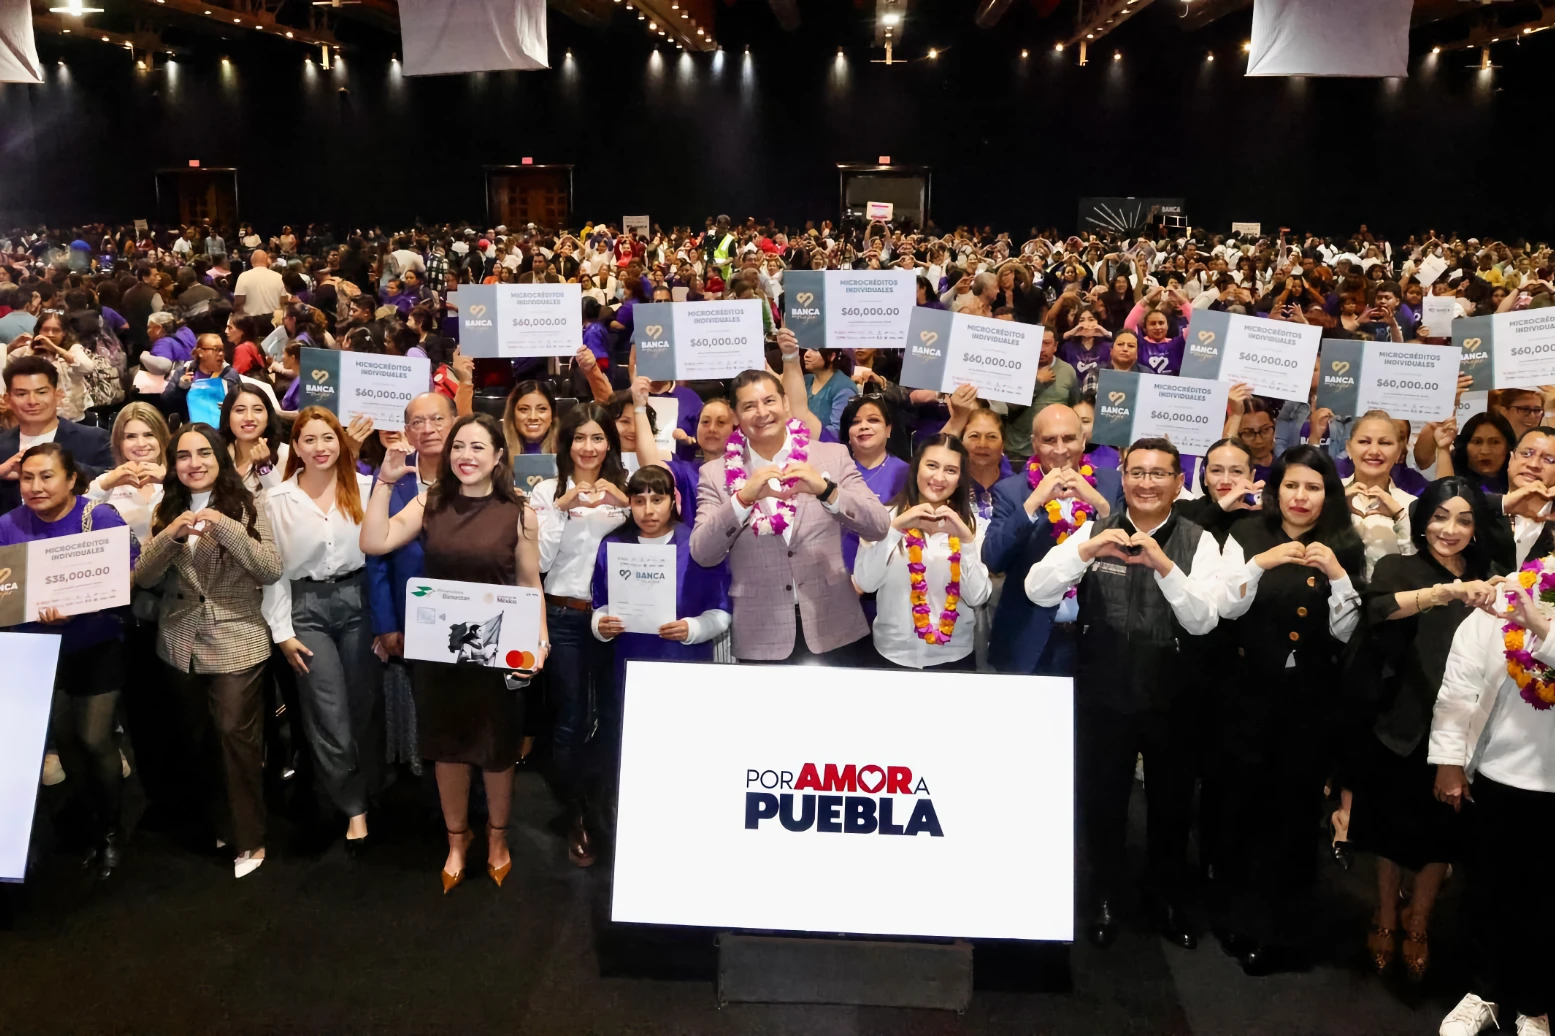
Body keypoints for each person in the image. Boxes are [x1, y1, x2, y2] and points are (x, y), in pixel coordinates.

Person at [1025, 436, 1225, 950]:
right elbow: (1036, 589)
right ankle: (1104, 896)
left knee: (1171, 806)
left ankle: (1166, 898)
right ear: (1122, 478)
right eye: (1137, 472)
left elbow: (1203, 620)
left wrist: (1164, 566)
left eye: (1159, 474)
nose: (1146, 483)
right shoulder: (1096, 530)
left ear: (1178, 483)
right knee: (1102, 801)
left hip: (1173, 692)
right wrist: (1085, 552)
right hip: (1104, 689)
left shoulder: (1201, 541)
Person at [360, 412, 547, 894]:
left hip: (500, 654)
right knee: (447, 749)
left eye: (478, 447)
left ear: (498, 456)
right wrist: (385, 481)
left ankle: (498, 839)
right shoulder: (431, 501)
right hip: (441, 652)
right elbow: (374, 541)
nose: (466, 456)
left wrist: (540, 640)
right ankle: (457, 841)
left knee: (498, 750)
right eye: (459, 446)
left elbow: (530, 583)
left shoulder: (520, 513)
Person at [1215, 445, 1365, 974]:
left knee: (1293, 814)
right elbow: (1224, 606)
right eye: (1292, 485)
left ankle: (1277, 927)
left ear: (1329, 494)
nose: (1301, 497)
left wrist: (1340, 576)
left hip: (1309, 701)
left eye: (1314, 488)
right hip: (1247, 692)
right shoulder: (1245, 534)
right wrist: (1260, 564)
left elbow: (1349, 632)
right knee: (1240, 805)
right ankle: (1234, 913)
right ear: (1275, 489)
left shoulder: (1345, 542)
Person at [1345, 477, 1499, 985]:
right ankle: (1386, 914)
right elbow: (1379, 609)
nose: (1450, 529)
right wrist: (1445, 592)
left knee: (1442, 836)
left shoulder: (1490, 577)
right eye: (1439, 517)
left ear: (1476, 529)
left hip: (1462, 729)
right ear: (1422, 520)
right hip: (1400, 722)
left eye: (1464, 520)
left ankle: (1419, 921)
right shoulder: (1399, 567)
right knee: (1390, 832)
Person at [135, 422, 283, 879]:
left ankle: (251, 837)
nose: (194, 463)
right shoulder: (165, 508)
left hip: (237, 637)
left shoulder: (248, 504)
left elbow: (270, 569)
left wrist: (227, 527)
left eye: (203, 453)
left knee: (235, 736)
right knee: (198, 739)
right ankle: (221, 824)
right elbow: (143, 577)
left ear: (219, 458)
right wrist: (171, 535)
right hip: (179, 641)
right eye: (183, 455)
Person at [530, 388, 661, 866]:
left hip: (620, 619)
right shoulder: (546, 492)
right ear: (566, 443)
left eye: (598, 438)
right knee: (571, 719)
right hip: (565, 615)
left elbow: (654, 539)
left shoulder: (628, 488)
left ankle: (610, 801)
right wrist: (561, 509)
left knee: (615, 714)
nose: (589, 447)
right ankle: (575, 812)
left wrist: (627, 504)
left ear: (611, 442)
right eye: (580, 438)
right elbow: (540, 562)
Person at [0, 443, 137, 878]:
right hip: (38, 650)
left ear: (72, 479)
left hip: (95, 642)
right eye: (27, 478)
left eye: (46, 476)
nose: (35, 487)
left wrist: (81, 604)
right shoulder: (8, 525)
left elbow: (131, 572)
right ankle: (89, 824)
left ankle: (112, 833)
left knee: (95, 738)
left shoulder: (99, 518)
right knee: (67, 741)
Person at [1430, 561, 1555, 1036]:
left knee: (1545, 900)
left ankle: (1535, 1004)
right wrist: (1448, 759)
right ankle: (1484, 991)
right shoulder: (1513, 589)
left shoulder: (1531, 607)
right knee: (1486, 890)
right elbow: (1459, 683)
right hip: (1498, 771)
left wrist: (1542, 628)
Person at [690, 369, 891, 663]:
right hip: (762, 634)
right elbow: (702, 553)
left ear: (785, 403)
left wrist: (827, 491)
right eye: (749, 406)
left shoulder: (832, 456)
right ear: (735, 415)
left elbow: (879, 525)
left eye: (769, 401)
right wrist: (742, 500)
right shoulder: (714, 473)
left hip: (835, 626)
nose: (762, 413)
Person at [260, 407, 382, 854]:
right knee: (328, 712)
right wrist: (281, 631)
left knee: (363, 706)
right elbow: (273, 572)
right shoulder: (276, 500)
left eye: (328, 437)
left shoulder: (366, 488)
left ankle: (370, 788)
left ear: (341, 441)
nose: (320, 447)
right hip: (306, 609)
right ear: (295, 446)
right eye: (309, 439)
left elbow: (381, 556)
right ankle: (352, 806)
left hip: (359, 601)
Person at [982, 405, 1122, 675]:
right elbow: (993, 559)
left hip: (1098, 636)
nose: (1060, 449)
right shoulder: (1011, 491)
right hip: (1028, 639)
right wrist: (1033, 503)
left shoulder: (1111, 483)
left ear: (1083, 440)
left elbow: (1131, 547)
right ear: (1034, 443)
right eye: (1049, 440)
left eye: (1068, 438)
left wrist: (1097, 502)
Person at [364, 391, 454, 772]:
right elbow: (376, 557)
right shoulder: (392, 476)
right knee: (428, 713)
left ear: (455, 423)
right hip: (413, 618)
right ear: (406, 430)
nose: (428, 429)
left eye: (437, 419)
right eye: (418, 422)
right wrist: (386, 624)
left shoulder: (473, 470)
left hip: (469, 615)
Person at [854, 435, 991, 670]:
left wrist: (966, 543)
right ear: (916, 467)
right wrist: (894, 530)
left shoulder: (973, 526)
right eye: (932, 465)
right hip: (891, 655)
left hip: (954, 658)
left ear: (960, 479)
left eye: (950, 470)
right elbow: (866, 583)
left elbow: (977, 597)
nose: (939, 477)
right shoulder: (884, 518)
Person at [590, 464, 732, 683]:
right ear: (630, 503)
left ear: (672, 501)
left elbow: (722, 611)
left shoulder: (697, 545)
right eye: (639, 501)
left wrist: (692, 629)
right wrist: (601, 625)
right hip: (630, 662)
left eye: (657, 500)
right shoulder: (613, 545)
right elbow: (600, 604)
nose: (648, 510)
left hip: (686, 664)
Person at [0, 355, 113, 515]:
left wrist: (61, 466)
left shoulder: (94, 439)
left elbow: (115, 482)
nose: (32, 401)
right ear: (7, 399)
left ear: (58, 395)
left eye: (41, 392)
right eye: (21, 394)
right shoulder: (2, 445)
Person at [837, 394, 909, 573]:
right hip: (836, 572)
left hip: (888, 571)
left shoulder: (907, 473)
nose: (864, 426)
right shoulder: (835, 469)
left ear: (888, 430)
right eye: (855, 422)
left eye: (873, 420)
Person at [1004, 328, 1080, 463]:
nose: (1041, 349)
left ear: (1055, 346)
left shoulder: (1068, 371)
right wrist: (1037, 382)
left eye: (1046, 343)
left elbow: (1074, 409)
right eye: (1037, 343)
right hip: (1019, 449)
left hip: (1055, 449)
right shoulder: (1017, 368)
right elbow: (1011, 405)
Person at [220, 383, 288, 495]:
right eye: (240, 410)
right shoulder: (218, 454)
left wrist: (265, 467)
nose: (249, 418)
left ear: (268, 416)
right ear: (227, 416)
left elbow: (282, 501)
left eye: (257, 410)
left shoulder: (286, 456)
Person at [1440, 411, 1514, 495]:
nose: (1485, 451)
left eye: (1495, 442)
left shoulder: (1520, 483)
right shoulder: (1456, 485)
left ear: (1508, 446)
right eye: (1477, 442)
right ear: (1465, 446)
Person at [801, 347, 858, 440]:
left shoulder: (843, 387)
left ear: (831, 356)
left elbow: (837, 432)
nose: (806, 354)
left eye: (814, 350)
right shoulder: (805, 380)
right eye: (807, 349)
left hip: (827, 446)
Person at [502, 380, 557, 456]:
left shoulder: (566, 449)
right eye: (524, 409)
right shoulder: (498, 449)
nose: (533, 417)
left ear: (552, 414)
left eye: (542, 409)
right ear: (512, 414)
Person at [233, 251, 285, 317]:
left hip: (251, 318)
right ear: (267, 261)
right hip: (274, 318)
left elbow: (238, 302)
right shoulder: (279, 277)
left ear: (251, 261)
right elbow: (284, 300)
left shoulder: (243, 276)